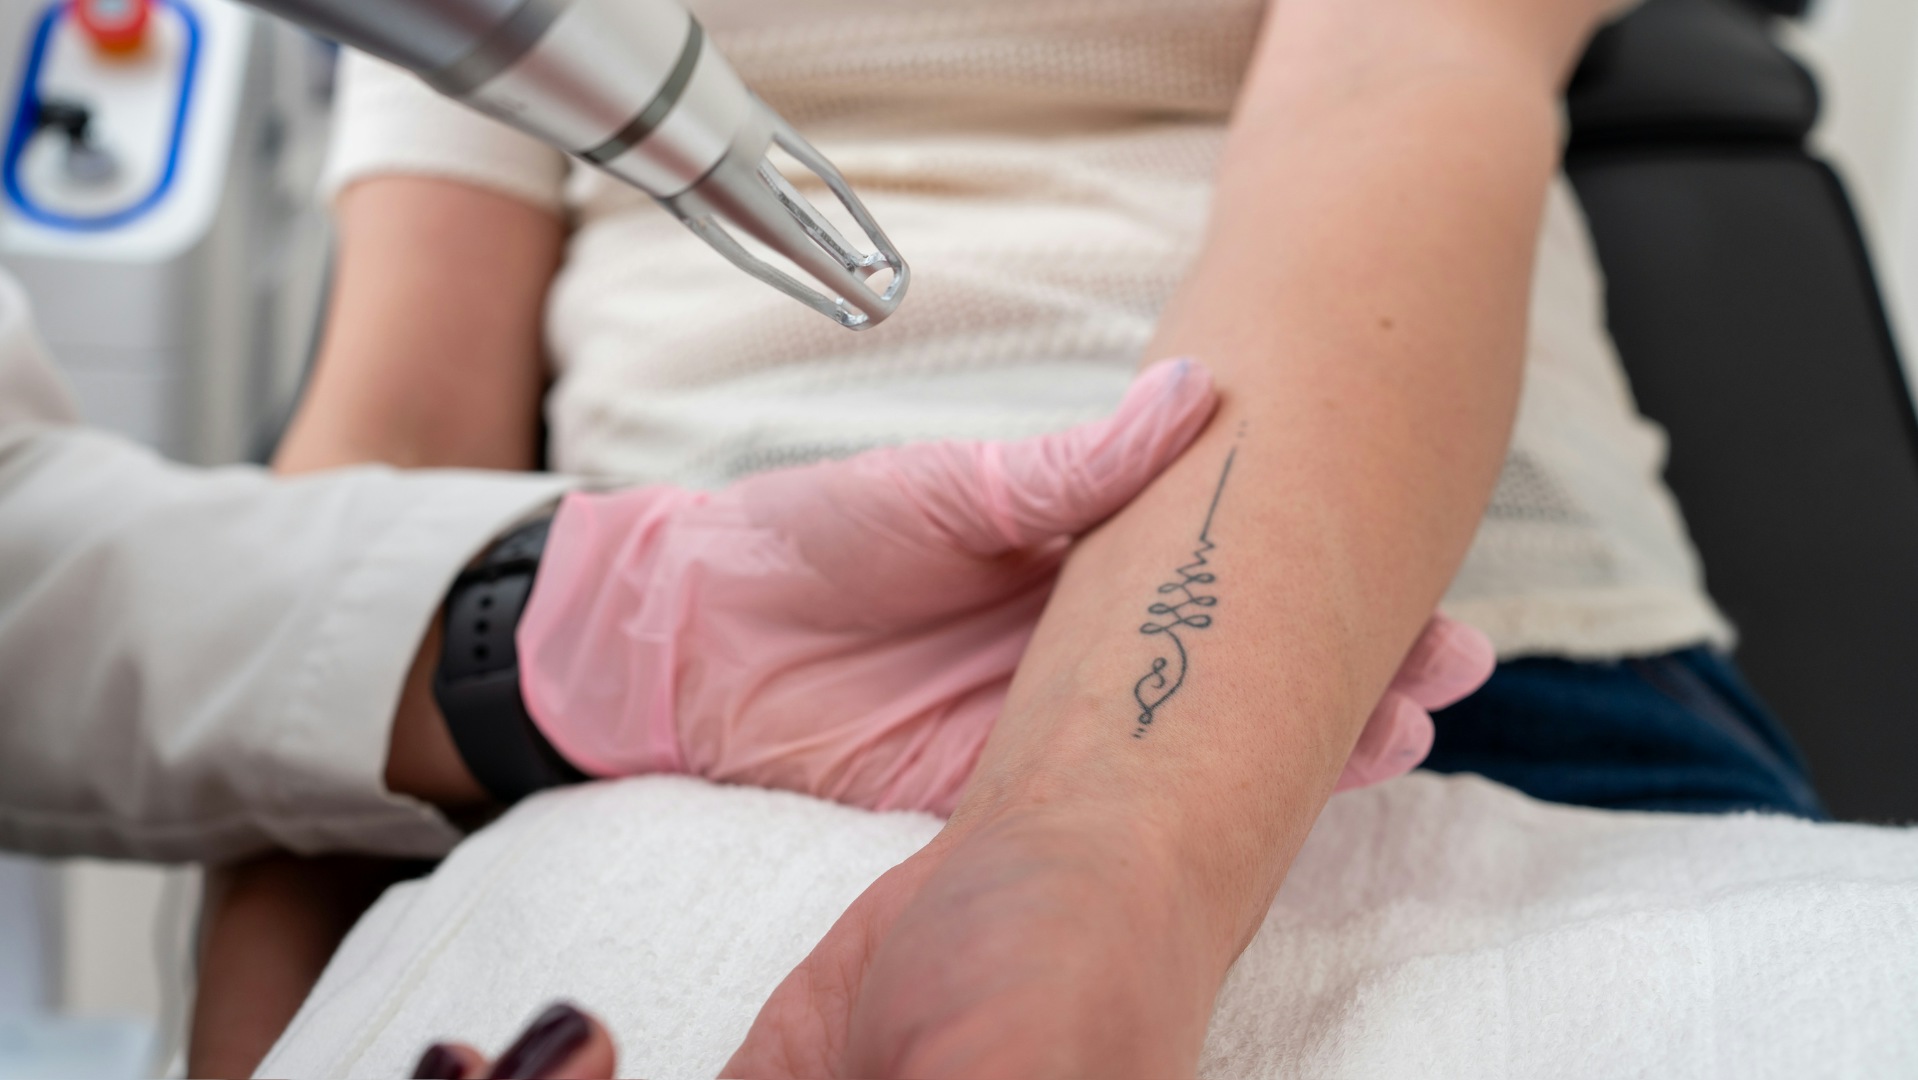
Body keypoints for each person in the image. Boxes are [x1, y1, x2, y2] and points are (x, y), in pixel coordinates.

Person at [203, 0, 1831, 1073]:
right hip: (706, 691)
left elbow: (1395, 86)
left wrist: (1081, 848)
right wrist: (246, 1032)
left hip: (1445, 639)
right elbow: (396, 439)